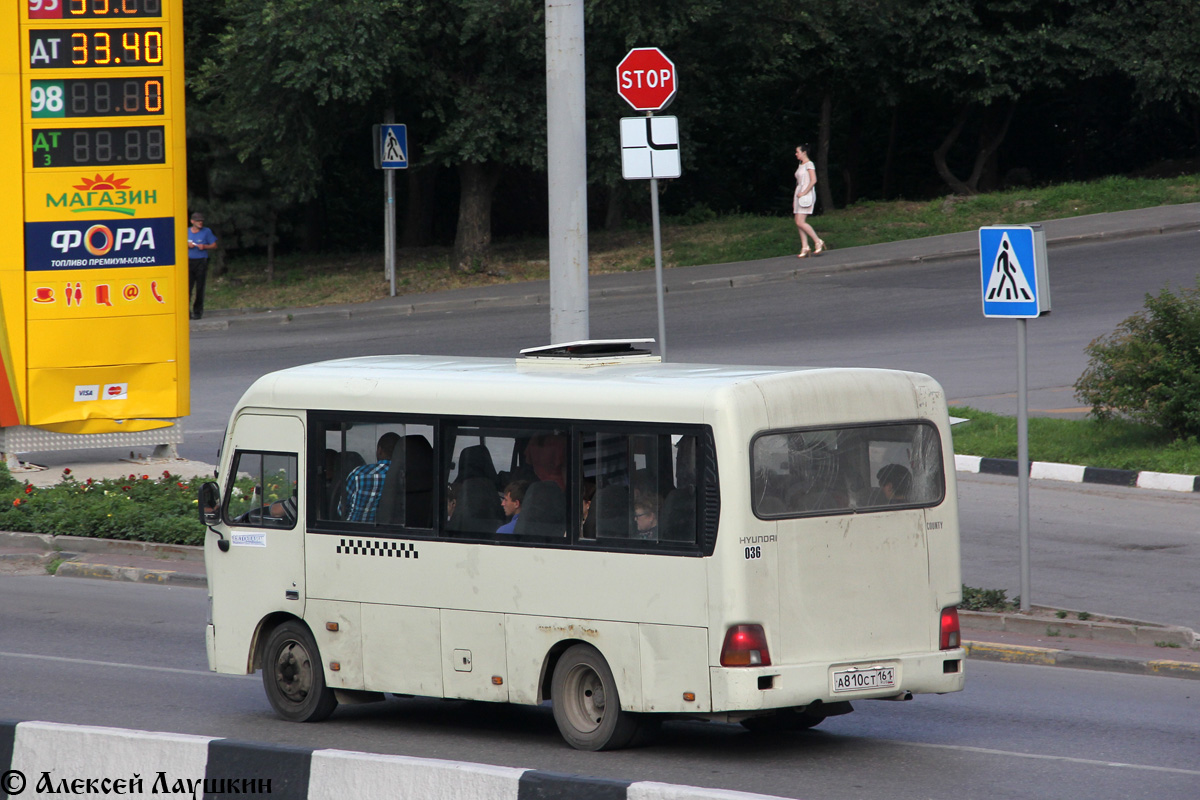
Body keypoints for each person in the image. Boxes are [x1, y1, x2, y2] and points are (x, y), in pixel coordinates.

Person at [340, 432, 401, 522]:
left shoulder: (359, 474)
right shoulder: (406, 477)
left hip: (355, 531)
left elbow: (342, 510)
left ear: (379, 450)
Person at [792, 145, 826, 259]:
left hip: (805, 195)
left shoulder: (809, 164)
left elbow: (813, 180)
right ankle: (805, 246)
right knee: (798, 221)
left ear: (804, 152)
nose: (796, 154)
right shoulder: (800, 165)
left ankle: (818, 241)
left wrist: (804, 192)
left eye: (797, 152)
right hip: (799, 195)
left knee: (800, 222)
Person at [186, 211, 218, 319]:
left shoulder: (206, 231)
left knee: (200, 287)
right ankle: (186, 312)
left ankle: (198, 311)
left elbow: (214, 245)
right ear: (192, 221)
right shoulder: (186, 232)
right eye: (198, 221)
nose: (200, 223)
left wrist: (204, 247)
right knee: (187, 288)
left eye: (201, 221)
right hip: (188, 261)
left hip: (201, 261)